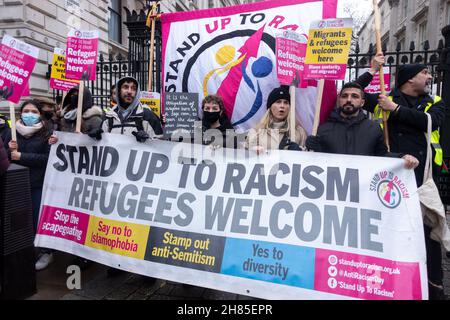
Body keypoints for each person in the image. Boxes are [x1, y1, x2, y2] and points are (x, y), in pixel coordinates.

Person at [356, 57, 447, 300]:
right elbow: (353, 92)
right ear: (410, 78)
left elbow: (432, 121)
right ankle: (392, 284)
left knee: (428, 232)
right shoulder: (385, 96)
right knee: (391, 231)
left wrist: (394, 110)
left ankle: (434, 286)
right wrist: (372, 71)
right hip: (390, 182)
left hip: (422, 179)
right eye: (425, 72)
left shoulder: (433, 101)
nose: (429, 77)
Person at [305, 82, 419, 168]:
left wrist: (401, 157)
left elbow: (382, 156)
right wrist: (313, 148)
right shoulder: (324, 129)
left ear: (362, 102)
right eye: (344, 96)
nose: (349, 100)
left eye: (354, 96)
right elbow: (317, 162)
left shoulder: (373, 128)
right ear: (339, 100)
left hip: (362, 192)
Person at [3, 99, 53, 271]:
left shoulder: (48, 133)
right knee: (20, 222)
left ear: (40, 115)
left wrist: (21, 156)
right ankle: (25, 253)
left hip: (38, 184)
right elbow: (3, 158)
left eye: (34, 112)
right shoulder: (11, 132)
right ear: (20, 113)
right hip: (16, 185)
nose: (29, 115)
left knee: (38, 219)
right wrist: (9, 150)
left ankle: (46, 251)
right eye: (26, 111)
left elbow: (48, 159)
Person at [246, 85, 307, 153]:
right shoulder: (256, 132)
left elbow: (307, 159)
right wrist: (253, 151)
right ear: (270, 106)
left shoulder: (299, 132)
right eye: (278, 102)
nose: (282, 106)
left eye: (286, 102)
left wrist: (299, 152)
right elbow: (244, 156)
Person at [103, 76, 163, 142]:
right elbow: (101, 143)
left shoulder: (147, 115)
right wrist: (95, 136)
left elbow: (160, 144)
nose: (129, 91)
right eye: (125, 87)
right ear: (119, 91)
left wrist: (147, 140)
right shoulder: (108, 116)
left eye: (133, 88)